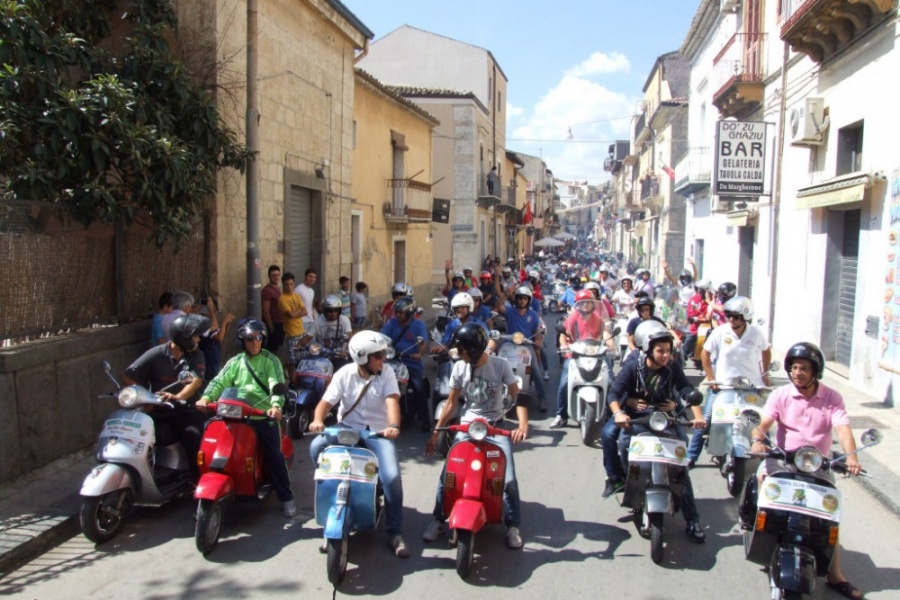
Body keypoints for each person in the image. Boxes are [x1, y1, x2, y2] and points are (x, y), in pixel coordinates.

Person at [745, 342, 865, 600]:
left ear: (816, 372)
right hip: (782, 459)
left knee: (831, 512)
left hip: (817, 463)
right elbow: (763, 423)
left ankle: (835, 575)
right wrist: (757, 440)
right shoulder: (781, 394)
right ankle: (760, 538)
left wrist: (852, 458)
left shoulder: (832, 397)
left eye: (805, 368)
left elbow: (843, 428)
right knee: (764, 488)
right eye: (795, 367)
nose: (798, 372)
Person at [423, 322, 528, 549]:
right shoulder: (460, 367)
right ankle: (439, 519)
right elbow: (451, 403)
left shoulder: (500, 366)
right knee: (447, 476)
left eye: (462, 351)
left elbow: (517, 397)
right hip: (468, 426)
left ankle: (513, 525)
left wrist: (522, 425)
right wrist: (436, 433)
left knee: (507, 478)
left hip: (495, 426)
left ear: (474, 349)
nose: (459, 355)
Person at [601, 320, 707, 543]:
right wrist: (620, 412)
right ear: (648, 349)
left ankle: (693, 519)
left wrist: (696, 415)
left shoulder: (672, 367)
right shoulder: (632, 366)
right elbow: (614, 393)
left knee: (680, 466)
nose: (665, 355)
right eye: (660, 351)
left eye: (668, 351)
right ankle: (621, 478)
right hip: (637, 418)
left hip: (666, 418)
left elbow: (687, 388)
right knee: (622, 443)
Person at [308, 331, 410, 558]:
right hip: (347, 429)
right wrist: (317, 420)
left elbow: (392, 400)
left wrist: (393, 425)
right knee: (316, 447)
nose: (383, 359)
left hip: (377, 433)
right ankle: (333, 512)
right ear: (363, 358)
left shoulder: (387, 373)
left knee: (392, 478)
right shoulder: (344, 373)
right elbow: (326, 402)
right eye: (378, 356)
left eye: (383, 354)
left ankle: (394, 532)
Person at [197, 319, 296, 517]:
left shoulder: (271, 361)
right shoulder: (235, 362)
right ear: (242, 341)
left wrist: (276, 406)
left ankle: (286, 498)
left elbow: (275, 383)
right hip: (234, 415)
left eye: (258, 338)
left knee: (274, 455)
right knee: (207, 439)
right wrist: (206, 397)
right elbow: (219, 381)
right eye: (249, 339)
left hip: (262, 416)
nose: (254, 342)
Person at [687, 296, 771, 466]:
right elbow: (705, 353)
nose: (731, 319)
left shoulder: (756, 333)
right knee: (706, 419)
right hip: (724, 386)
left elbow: (766, 351)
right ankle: (691, 456)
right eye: (729, 315)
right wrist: (712, 378)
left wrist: (764, 374)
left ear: (745, 316)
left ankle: (769, 460)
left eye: (736, 316)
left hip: (751, 386)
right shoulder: (720, 331)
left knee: (764, 420)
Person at [125, 314, 209, 482]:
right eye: (194, 336)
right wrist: (143, 398)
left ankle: (198, 482)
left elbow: (195, 381)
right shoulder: (157, 353)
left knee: (193, 437)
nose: (198, 339)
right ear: (184, 338)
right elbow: (129, 375)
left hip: (186, 411)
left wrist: (177, 397)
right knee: (136, 434)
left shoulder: (196, 356)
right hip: (160, 412)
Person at [553, 289, 614, 428]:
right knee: (564, 383)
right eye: (582, 303)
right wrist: (563, 345)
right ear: (577, 305)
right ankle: (561, 415)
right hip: (575, 354)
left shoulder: (598, 319)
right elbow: (564, 334)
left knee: (610, 381)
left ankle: (611, 415)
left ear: (593, 304)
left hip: (596, 354)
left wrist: (611, 345)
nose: (585, 305)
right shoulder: (573, 318)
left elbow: (605, 333)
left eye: (588, 302)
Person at [494, 285, 548, 411]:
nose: (522, 301)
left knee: (535, 369)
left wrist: (538, 340)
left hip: (526, 345)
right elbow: (499, 305)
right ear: (516, 299)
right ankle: (493, 393)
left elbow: (537, 331)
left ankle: (542, 398)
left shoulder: (534, 315)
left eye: (525, 298)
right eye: (519, 298)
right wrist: (506, 295)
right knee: (496, 361)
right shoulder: (510, 311)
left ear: (529, 300)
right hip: (509, 342)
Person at [381, 296, 429, 431]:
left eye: (401, 312)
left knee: (418, 387)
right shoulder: (392, 322)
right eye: (397, 312)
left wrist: (419, 354)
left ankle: (425, 419)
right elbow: (383, 337)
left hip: (410, 361)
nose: (398, 315)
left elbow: (423, 341)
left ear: (409, 313)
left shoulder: (418, 325)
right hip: (392, 360)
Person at [278, 272, 310, 382]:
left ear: (294, 284)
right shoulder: (282, 299)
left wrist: (296, 313)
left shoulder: (296, 296)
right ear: (283, 285)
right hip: (290, 333)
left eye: (291, 284)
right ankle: (292, 381)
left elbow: (305, 311)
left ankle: (300, 378)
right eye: (287, 284)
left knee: (302, 357)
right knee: (292, 360)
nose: (289, 286)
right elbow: (290, 315)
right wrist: (298, 312)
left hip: (301, 331)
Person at [198, 298, 234, 381]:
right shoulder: (205, 323)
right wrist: (224, 322)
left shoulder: (211, 322)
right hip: (209, 360)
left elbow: (221, 335)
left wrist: (228, 323)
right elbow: (219, 338)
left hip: (214, 359)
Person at [683, 279, 712, 361]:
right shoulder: (694, 299)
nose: (699, 292)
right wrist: (694, 318)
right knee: (689, 339)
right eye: (698, 290)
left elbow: (711, 315)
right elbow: (691, 312)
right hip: (695, 327)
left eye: (702, 290)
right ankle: (682, 359)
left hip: (708, 327)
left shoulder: (712, 300)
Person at [261, 265, 285, 352]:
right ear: (269, 276)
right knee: (272, 350)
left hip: (280, 324)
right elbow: (265, 310)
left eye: (277, 275)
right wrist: (271, 327)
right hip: (273, 324)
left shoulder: (278, 288)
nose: (276, 277)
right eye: (273, 275)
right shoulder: (267, 291)